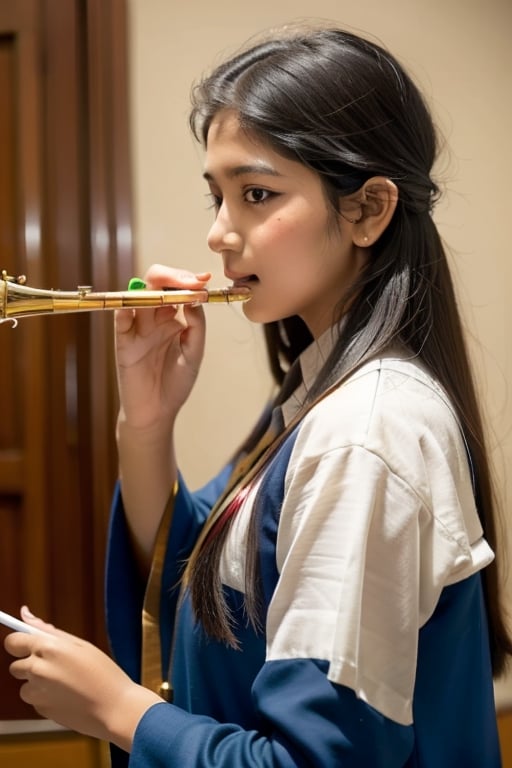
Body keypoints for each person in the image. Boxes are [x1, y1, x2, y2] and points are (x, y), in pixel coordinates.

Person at [4, 23, 511, 767]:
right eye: (218, 196)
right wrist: (146, 421)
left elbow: (312, 762)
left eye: (257, 194)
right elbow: (203, 575)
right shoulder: (322, 392)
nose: (219, 233)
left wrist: (118, 708)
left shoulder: (368, 430)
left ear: (367, 211)